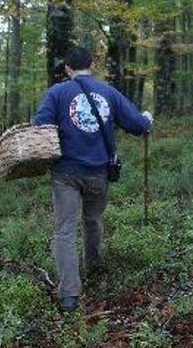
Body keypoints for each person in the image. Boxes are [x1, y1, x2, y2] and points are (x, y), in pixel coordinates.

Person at [34, 47, 154, 312]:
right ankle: (96, 273)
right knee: (93, 222)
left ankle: (69, 296)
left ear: (67, 69)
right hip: (99, 172)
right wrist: (147, 118)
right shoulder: (109, 92)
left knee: (65, 231)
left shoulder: (56, 93)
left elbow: (40, 129)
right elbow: (138, 126)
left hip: (64, 173)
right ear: (92, 64)